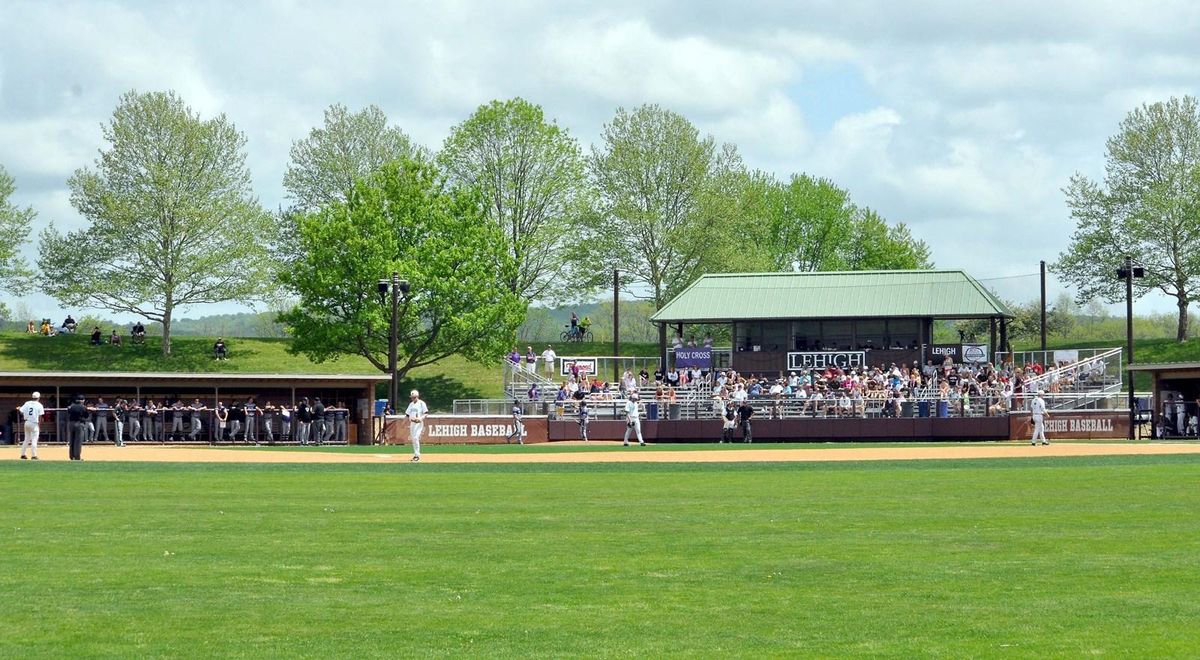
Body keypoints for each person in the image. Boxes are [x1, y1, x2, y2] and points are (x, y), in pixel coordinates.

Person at [19, 392, 45, 460]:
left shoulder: (27, 403)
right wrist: (39, 426)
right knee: (34, 440)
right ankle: (34, 455)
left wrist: (22, 411)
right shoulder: (39, 405)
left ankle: (23, 454)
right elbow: (40, 417)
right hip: (34, 423)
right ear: (38, 398)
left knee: (26, 439)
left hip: (27, 422)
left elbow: (21, 411)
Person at [406, 389, 428, 462]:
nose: (413, 398)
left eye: (414, 397)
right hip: (412, 423)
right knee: (413, 439)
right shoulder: (411, 404)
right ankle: (415, 454)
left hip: (418, 423)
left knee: (415, 438)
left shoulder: (421, 403)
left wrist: (420, 418)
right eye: (412, 397)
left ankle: (417, 455)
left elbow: (426, 413)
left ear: (417, 396)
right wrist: (403, 422)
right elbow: (407, 414)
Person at [67, 396, 88, 460]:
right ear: (82, 400)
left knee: (71, 440)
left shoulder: (71, 406)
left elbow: (69, 412)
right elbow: (86, 416)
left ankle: (71, 456)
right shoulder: (83, 407)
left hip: (71, 424)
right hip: (79, 424)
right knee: (78, 441)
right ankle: (77, 457)